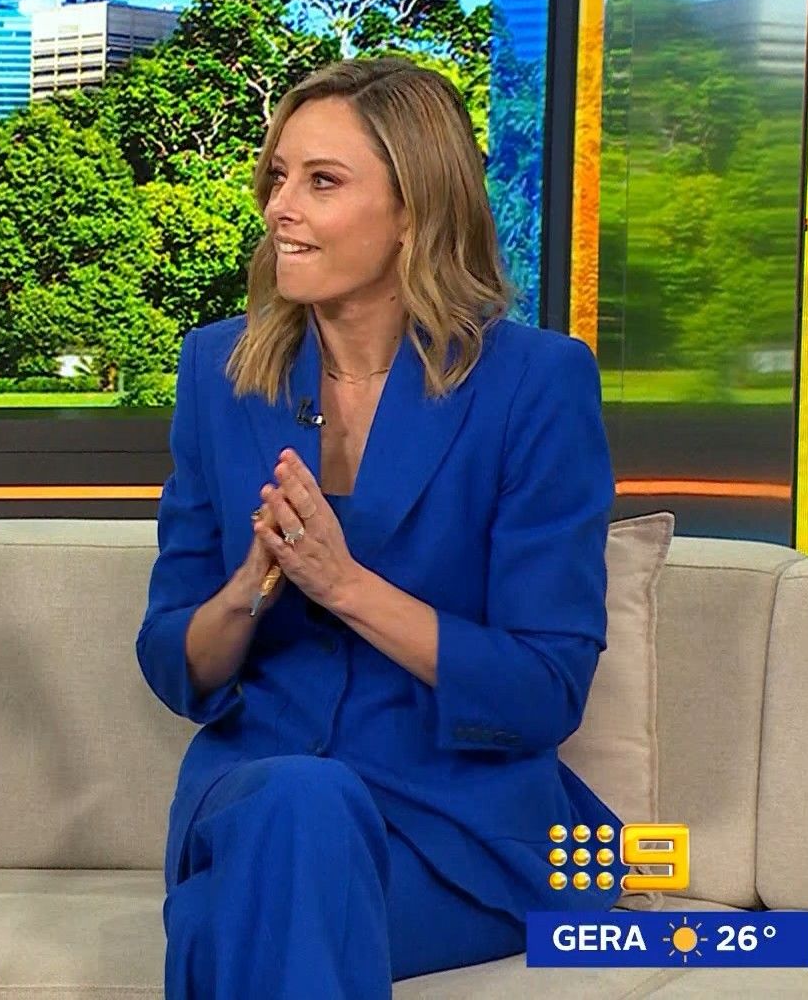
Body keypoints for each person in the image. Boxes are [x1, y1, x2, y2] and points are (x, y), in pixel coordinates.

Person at [136, 57, 623, 998]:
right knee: (296, 809)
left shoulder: (534, 384)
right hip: (260, 805)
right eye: (278, 176)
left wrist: (343, 584)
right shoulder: (219, 372)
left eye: (322, 182)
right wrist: (248, 590)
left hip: (453, 834)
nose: (280, 208)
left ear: (414, 211)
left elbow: (544, 689)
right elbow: (172, 662)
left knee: (224, 921)